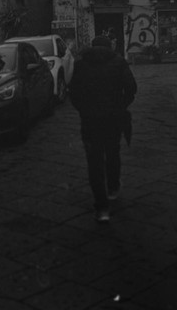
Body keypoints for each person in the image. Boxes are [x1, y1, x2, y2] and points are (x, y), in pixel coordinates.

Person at [69, 36, 137, 222]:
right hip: (113, 119)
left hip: (90, 120)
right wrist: (121, 106)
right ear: (109, 46)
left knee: (94, 162)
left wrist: (84, 110)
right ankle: (113, 188)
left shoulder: (81, 64)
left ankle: (102, 208)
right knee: (113, 152)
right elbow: (131, 88)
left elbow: (73, 92)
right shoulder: (119, 62)